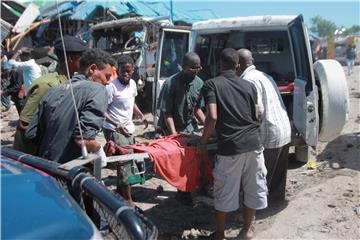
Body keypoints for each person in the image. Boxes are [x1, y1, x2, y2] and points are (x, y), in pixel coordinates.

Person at [198, 48, 267, 240]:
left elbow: (212, 116)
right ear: (238, 66)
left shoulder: (211, 84)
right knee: (253, 188)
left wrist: (203, 141)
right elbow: (256, 114)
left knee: (224, 191)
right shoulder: (249, 86)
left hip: (231, 148)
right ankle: (246, 230)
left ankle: (220, 234)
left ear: (219, 64)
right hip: (254, 144)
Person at [25, 48, 115, 166]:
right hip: (70, 170)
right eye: (107, 76)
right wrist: (98, 149)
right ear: (92, 69)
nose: (108, 82)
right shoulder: (97, 89)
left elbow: (30, 133)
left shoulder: (53, 90)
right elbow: (84, 139)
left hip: (45, 166)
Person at [13, 35, 88, 155]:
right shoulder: (47, 85)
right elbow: (24, 125)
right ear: (72, 59)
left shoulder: (74, 83)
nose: (87, 63)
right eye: (83, 59)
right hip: (37, 157)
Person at [237, 48, 291, 203]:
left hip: (269, 134)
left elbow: (257, 110)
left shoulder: (248, 80)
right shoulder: (264, 75)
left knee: (259, 178)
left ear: (238, 65)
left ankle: (257, 211)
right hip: (283, 129)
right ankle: (275, 204)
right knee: (278, 176)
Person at [158, 52, 206, 205]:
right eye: (193, 68)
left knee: (195, 159)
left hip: (189, 125)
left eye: (198, 68)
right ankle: (183, 193)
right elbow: (167, 112)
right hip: (172, 126)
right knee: (180, 162)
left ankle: (195, 189)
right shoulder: (170, 84)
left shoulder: (199, 83)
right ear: (183, 66)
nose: (196, 71)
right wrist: (174, 135)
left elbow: (197, 108)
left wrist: (208, 126)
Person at [103, 55, 148, 207]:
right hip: (114, 130)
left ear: (133, 71)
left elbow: (131, 102)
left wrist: (141, 115)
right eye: (123, 71)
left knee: (127, 160)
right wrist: (116, 124)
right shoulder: (111, 87)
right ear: (118, 70)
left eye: (129, 71)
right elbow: (103, 111)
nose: (126, 74)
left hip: (128, 127)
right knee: (125, 162)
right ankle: (128, 200)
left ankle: (120, 192)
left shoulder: (133, 84)